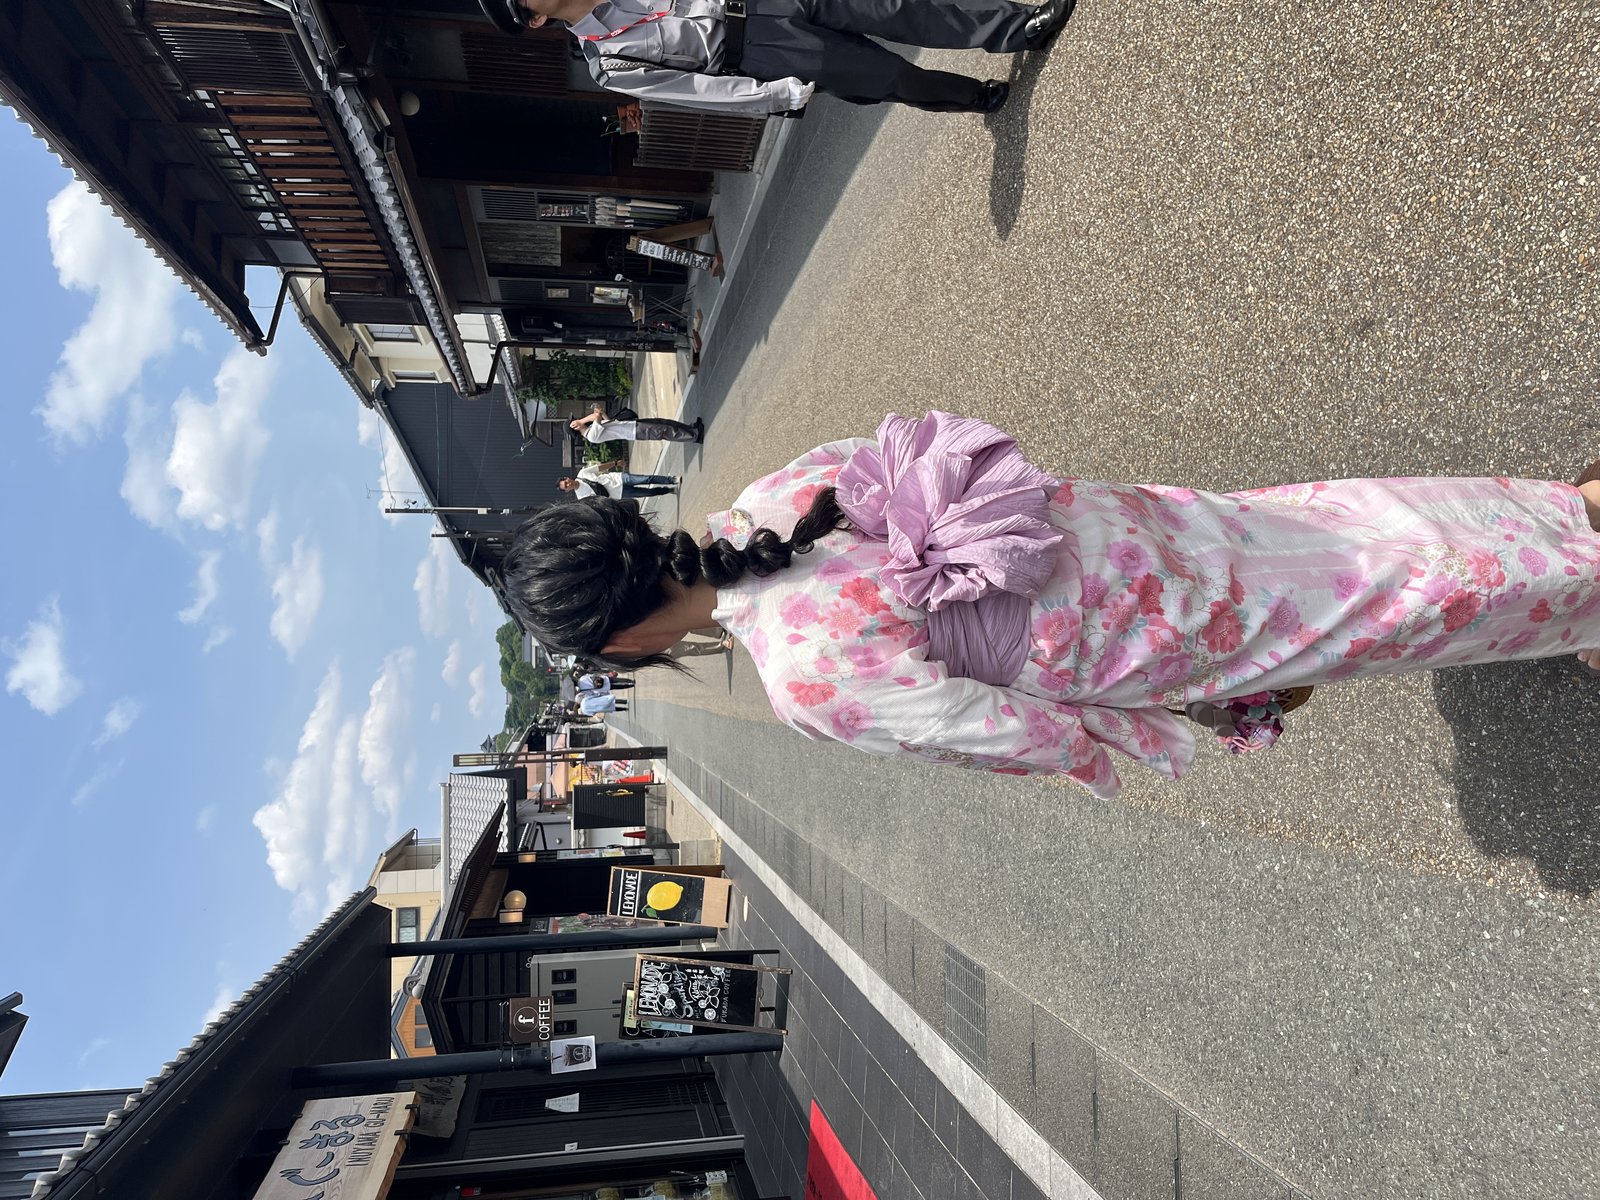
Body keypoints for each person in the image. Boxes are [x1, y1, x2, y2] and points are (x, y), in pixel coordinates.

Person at [501, 411, 1600, 800]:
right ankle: (1566, 510)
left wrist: (1166, 715)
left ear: (623, 640)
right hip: (1116, 532)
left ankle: (1578, 583)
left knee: (1374, 607)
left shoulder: (807, 680)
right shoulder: (774, 494)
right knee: (1330, 527)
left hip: (1133, 634)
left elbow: (1021, 735)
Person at [479, 0, 1076, 116]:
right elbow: (694, 92)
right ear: (535, 18)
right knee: (888, 76)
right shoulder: (607, 61)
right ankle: (971, 96)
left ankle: (1019, 27)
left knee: (895, 7)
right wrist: (772, 97)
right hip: (758, 49)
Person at [572, 404, 704, 446]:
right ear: (576, 427)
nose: (577, 419)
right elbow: (596, 417)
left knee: (664, 423)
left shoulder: (591, 429)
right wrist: (582, 420)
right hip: (634, 431)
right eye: (575, 421)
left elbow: (606, 420)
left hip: (632, 425)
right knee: (664, 430)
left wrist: (601, 412)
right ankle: (694, 436)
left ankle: (690, 429)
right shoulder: (591, 436)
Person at [560, 466, 678, 500]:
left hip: (619, 478)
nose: (568, 484)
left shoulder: (582, 473)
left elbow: (599, 468)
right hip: (619, 494)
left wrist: (615, 463)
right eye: (566, 486)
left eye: (566, 482)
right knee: (648, 493)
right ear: (567, 490)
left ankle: (671, 480)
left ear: (567, 478)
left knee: (646, 479)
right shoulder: (581, 497)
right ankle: (668, 490)